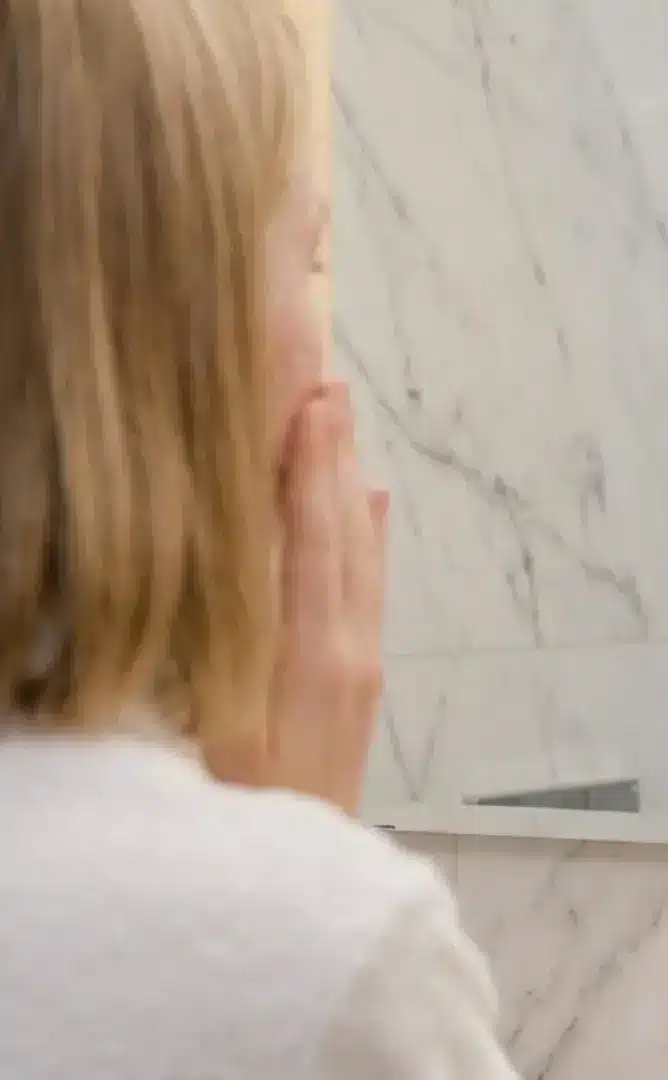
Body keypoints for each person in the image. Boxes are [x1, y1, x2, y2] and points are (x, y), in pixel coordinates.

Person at [0, 1, 519, 1076]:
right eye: (309, 258)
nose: (329, 368)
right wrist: (298, 867)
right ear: (178, 339)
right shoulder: (326, 953)